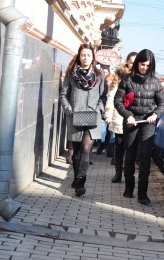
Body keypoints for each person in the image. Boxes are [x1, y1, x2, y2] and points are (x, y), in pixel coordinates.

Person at [114, 49, 164, 205]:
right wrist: (128, 115)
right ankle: (129, 188)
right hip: (131, 121)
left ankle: (142, 193)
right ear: (137, 63)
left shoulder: (155, 82)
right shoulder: (127, 80)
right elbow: (118, 101)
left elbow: (162, 103)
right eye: (142, 64)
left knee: (144, 157)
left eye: (148, 65)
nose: (144, 68)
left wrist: (155, 115)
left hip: (148, 123)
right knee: (129, 155)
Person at [60, 44, 106, 197]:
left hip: (93, 118)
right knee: (77, 151)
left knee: (86, 149)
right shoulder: (71, 75)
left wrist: (99, 110)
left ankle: (81, 183)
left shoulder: (99, 75)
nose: (85, 57)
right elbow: (63, 95)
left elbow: (103, 96)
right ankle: (76, 177)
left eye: (88, 55)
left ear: (93, 57)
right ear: (79, 57)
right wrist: (69, 111)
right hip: (75, 117)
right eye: (83, 55)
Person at [104, 52, 137, 183]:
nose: (133, 64)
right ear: (127, 62)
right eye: (131, 61)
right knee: (119, 146)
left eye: (136, 61)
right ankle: (118, 173)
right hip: (119, 116)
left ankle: (129, 174)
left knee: (132, 147)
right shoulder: (120, 77)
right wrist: (108, 114)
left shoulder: (141, 77)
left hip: (135, 117)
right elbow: (111, 97)